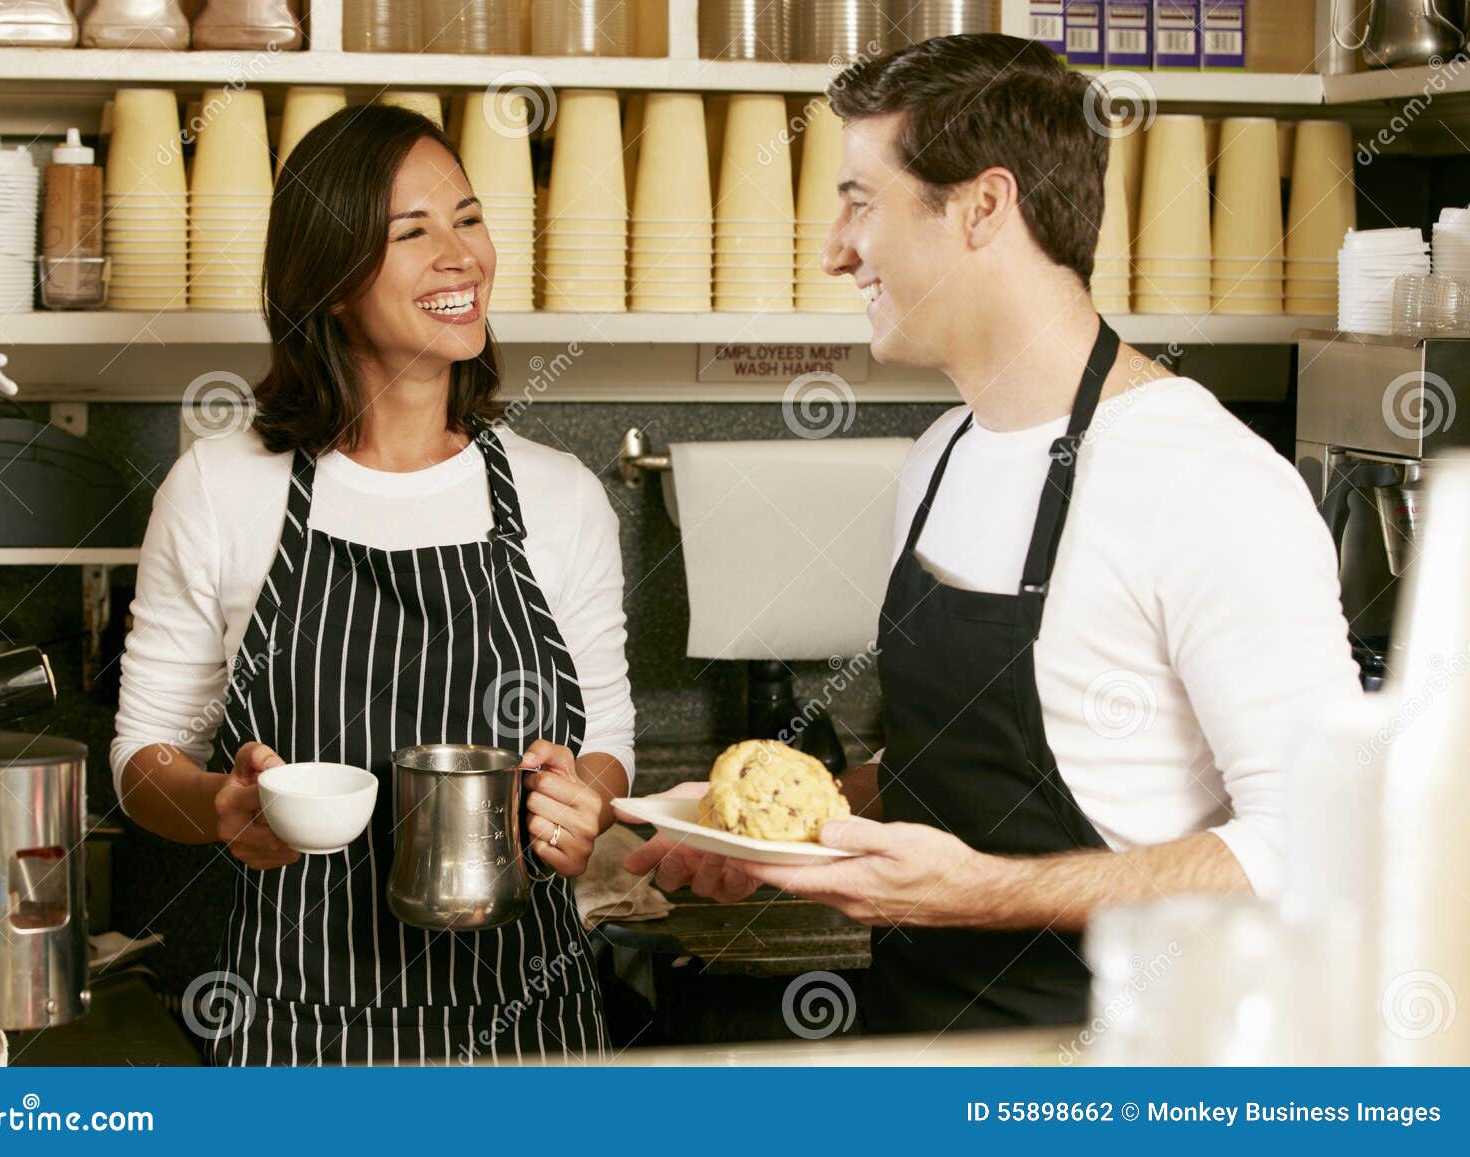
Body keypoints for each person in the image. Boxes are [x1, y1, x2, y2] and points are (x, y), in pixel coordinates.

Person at [627, 35, 1363, 1033]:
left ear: (984, 205)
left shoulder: (1205, 479)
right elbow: (960, 771)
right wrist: (776, 830)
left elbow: (1320, 843)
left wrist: (981, 892)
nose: (836, 248)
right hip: (927, 1041)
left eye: (861, 200)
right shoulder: (940, 454)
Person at [113, 105, 634, 1065]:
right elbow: (142, 758)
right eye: (412, 233)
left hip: (529, 1037)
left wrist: (582, 799)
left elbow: (604, 742)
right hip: (293, 1034)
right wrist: (220, 809)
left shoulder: (560, 495)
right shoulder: (223, 489)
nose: (460, 255)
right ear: (331, 282)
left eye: (469, 220)